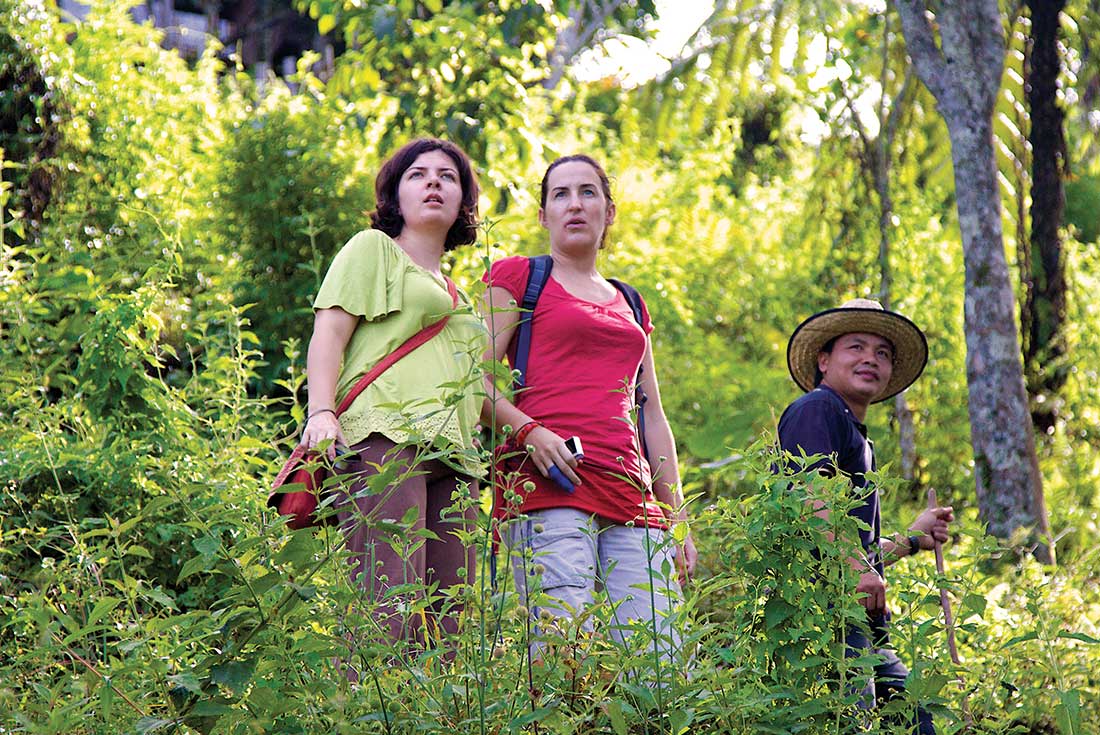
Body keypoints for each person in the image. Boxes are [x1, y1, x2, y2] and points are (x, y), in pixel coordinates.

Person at [481, 154, 697, 661]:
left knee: (661, 665)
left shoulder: (630, 301)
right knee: (564, 657)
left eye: (587, 192)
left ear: (609, 210)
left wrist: (679, 518)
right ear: (543, 216)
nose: (574, 204)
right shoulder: (519, 277)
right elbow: (473, 383)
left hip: (634, 498)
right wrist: (530, 432)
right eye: (560, 194)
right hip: (551, 486)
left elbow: (651, 415)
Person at [301, 138, 485, 656]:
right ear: (395, 196)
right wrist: (321, 412)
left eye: (448, 177)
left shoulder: (459, 295)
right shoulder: (373, 249)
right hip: (386, 440)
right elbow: (329, 334)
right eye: (418, 175)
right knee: (387, 608)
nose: (433, 182)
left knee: (449, 625)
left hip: (457, 458)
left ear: (463, 204)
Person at [777, 298, 954, 734]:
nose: (870, 359)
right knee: (853, 724)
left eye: (882, 353)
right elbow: (808, 492)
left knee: (917, 719)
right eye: (855, 347)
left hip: (863, 620)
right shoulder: (817, 410)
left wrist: (912, 538)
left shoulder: (854, 432)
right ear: (823, 360)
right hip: (822, 616)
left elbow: (859, 549)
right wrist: (855, 566)